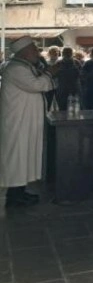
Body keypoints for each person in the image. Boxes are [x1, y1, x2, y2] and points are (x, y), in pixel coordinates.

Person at [0, 37, 58, 210]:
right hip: (17, 123)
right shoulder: (16, 69)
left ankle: (20, 191)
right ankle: (14, 197)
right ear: (24, 52)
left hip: (23, 121)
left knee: (23, 156)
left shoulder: (23, 66)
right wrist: (50, 73)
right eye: (33, 49)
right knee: (17, 157)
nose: (37, 53)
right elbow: (36, 85)